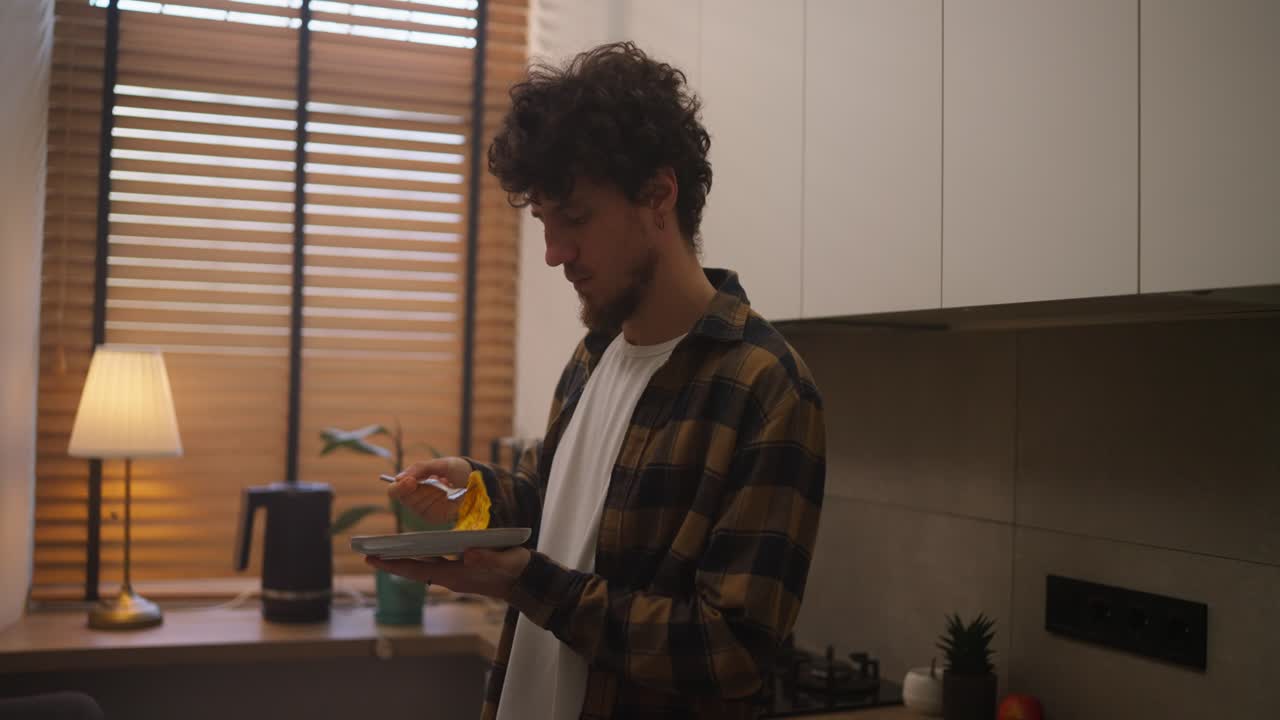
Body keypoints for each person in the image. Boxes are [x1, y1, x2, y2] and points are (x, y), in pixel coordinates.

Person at [369, 42, 825, 720]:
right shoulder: (593, 358)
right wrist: (474, 495)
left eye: (574, 219)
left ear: (658, 196)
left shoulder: (766, 388)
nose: (555, 253)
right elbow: (561, 521)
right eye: (545, 224)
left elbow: (729, 651)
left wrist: (533, 585)